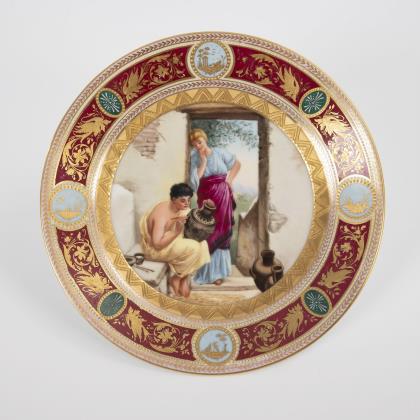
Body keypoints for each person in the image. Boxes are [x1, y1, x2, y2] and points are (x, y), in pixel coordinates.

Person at [189, 128, 241, 285]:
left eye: (200, 142)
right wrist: (203, 162)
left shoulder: (219, 152)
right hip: (206, 196)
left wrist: (229, 180)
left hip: (222, 195)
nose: (198, 146)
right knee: (208, 230)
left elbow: (237, 164)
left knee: (222, 229)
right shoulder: (194, 157)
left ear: (205, 140)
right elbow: (195, 180)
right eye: (195, 144)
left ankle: (219, 273)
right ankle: (207, 273)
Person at [139, 183, 210, 298]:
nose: (186, 203)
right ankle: (176, 278)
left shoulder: (179, 208)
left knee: (203, 244)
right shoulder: (161, 214)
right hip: (156, 249)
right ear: (173, 199)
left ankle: (183, 278)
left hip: (169, 239)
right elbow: (157, 244)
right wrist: (176, 232)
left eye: (188, 200)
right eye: (183, 200)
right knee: (195, 247)